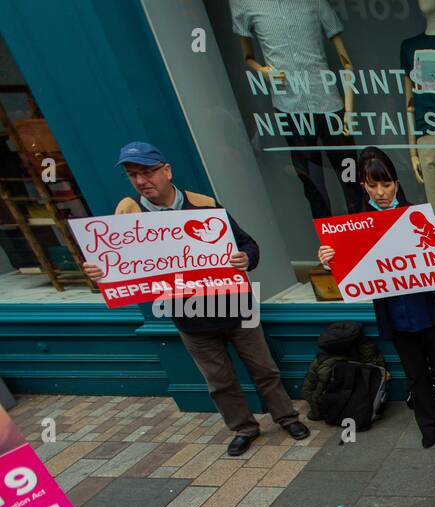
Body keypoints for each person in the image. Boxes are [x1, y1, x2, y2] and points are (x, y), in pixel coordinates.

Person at [81, 142, 310, 457]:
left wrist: (246, 257)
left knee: (265, 369)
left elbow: (246, 243)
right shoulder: (127, 217)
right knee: (219, 381)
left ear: (167, 170)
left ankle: (286, 417)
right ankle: (244, 428)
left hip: (234, 305)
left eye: (147, 172)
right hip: (188, 313)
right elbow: (119, 268)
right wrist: (99, 271)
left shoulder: (204, 204)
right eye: (133, 175)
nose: (141, 181)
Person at [317, 147, 435, 449]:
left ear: (396, 183)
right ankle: (428, 426)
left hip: (431, 311)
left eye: (386, 184)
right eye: (373, 185)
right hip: (397, 317)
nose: (381, 192)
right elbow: (350, 277)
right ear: (362, 184)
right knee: (415, 376)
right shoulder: (355, 226)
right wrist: (329, 260)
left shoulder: (417, 215)